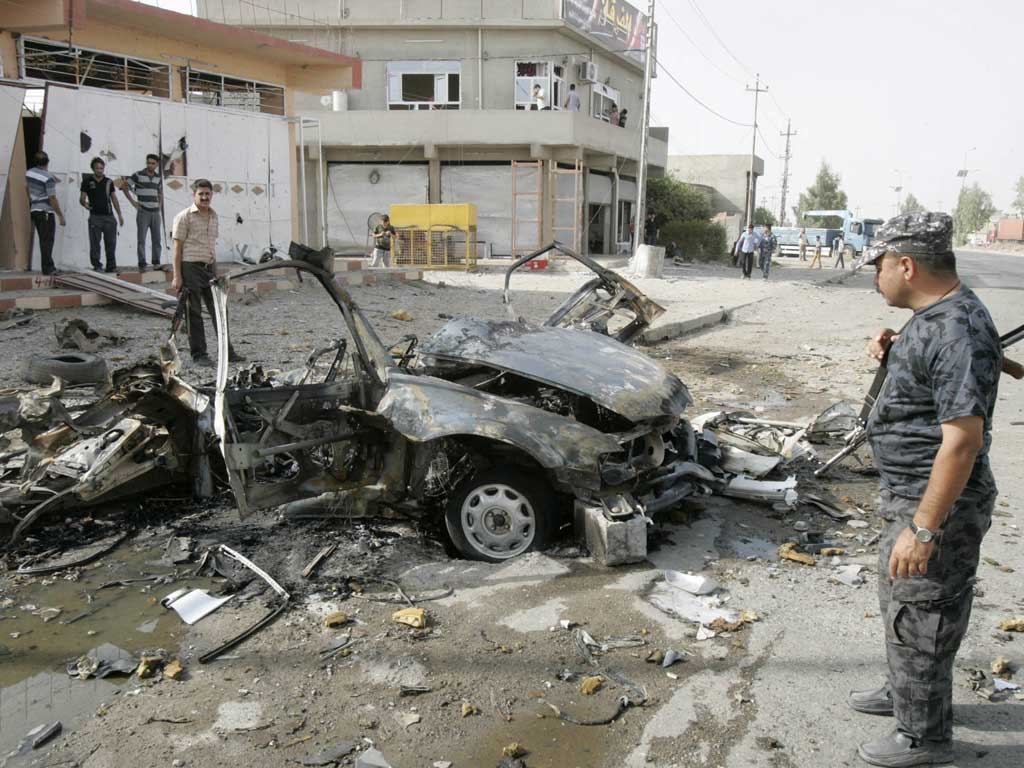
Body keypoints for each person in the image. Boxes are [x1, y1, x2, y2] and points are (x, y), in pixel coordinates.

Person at [849, 212, 1003, 767]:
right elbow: (954, 366)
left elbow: (961, 443)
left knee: (925, 615)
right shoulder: (934, 317)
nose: (875, 277)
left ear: (907, 265)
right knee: (902, 605)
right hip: (906, 491)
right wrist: (899, 348)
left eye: (880, 266)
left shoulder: (956, 327)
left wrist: (923, 527)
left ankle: (924, 735)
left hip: (935, 502)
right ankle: (905, 694)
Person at [171, 179, 243, 368]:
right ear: (194, 195)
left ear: (212, 195)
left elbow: (211, 247)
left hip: (208, 268)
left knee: (220, 310)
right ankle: (199, 355)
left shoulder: (214, 216)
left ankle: (227, 351)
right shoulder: (183, 217)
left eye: (207, 194)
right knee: (193, 312)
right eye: (200, 194)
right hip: (189, 268)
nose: (204, 197)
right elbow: (176, 249)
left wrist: (216, 272)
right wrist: (177, 276)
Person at [24, 151, 65, 276]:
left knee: (43, 239)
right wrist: (60, 215)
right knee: (47, 240)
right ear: (47, 162)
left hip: (35, 209)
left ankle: (47, 267)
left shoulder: (29, 172)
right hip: (46, 211)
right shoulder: (48, 178)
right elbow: (52, 198)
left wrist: (31, 199)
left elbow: (27, 188)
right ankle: (48, 268)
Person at [79, 157, 123, 272]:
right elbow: (82, 198)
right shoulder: (87, 181)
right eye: (97, 168)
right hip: (95, 217)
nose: (99, 170)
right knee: (95, 243)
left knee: (111, 243)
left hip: (109, 217)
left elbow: (114, 198)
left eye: (101, 168)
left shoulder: (109, 182)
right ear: (93, 169)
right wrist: (85, 204)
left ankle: (111, 266)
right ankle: (97, 265)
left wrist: (119, 215)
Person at [124, 153, 163, 270]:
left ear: (157, 164)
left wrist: (160, 206)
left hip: (155, 212)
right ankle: (142, 263)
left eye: (152, 163)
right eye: (148, 163)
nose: (150, 165)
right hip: (143, 211)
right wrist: (133, 202)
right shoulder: (138, 175)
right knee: (141, 238)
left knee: (157, 238)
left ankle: (156, 262)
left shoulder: (158, 178)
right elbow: (124, 186)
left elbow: (160, 193)